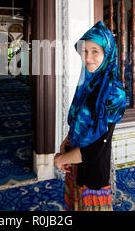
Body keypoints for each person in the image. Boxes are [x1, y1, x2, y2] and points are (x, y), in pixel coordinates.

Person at [54, 20, 126, 211]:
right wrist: (65, 143)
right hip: (75, 162)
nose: (88, 58)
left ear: (107, 53)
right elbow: (79, 122)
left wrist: (61, 159)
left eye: (95, 51)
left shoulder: (113, 94)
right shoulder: (87, 84)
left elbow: (94, 149)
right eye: (84, 51)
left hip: (92, 170)